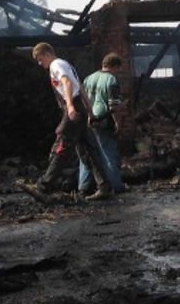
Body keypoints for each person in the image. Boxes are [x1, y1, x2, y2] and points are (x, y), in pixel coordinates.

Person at [30, 43, 112, 199]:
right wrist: (89, 111)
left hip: (73, 108)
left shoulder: (56, 64)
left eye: (41, 60)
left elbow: (67, 83)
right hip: (79, 107)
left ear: (48, 54)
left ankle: (43, 187)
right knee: (89, 150)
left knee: (62, 146)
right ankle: (104, 187)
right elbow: (80, 87)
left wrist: (70, 106)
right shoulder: (67, 64)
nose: (41, 64)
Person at [79, 53, 127, 195]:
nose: (117, 71)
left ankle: (83, 187)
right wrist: (118, 123)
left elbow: (83, 99)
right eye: (118, 68)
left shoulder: (89, 78)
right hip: (103, 120)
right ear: (115, 66)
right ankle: (116, 186)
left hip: (88, 120)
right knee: (109, 153)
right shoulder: (112, 80)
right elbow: (113, 106)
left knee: (89, 154)